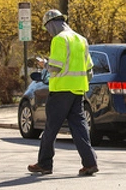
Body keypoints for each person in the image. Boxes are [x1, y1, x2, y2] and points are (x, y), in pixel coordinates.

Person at [28, 9, 98, 176]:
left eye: (47, 28)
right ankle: (90, 163)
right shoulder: (81, 40)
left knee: (51, 128)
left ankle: (44, 164)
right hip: (78, 90)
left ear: (51, 24)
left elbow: (56, 66)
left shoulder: (59, 39)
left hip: (60, 90)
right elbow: (90, 70)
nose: (48, 31)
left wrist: (44, 64)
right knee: (80, 128)